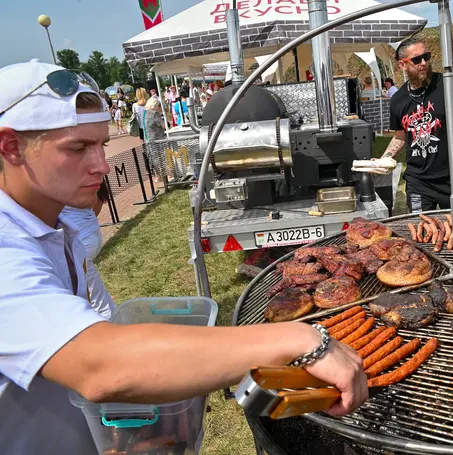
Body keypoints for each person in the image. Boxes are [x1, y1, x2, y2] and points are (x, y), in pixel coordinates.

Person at [0, 60, 367, 454]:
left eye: (102, 145)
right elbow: (99, 365)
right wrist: (298, 339)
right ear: (10, 147)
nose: (102, 166)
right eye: (78, 148)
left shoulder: (54, 229)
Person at [382, 38, 453, 212]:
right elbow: (400, 136)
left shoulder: (447, 84)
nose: (424, 63)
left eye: (427, 57)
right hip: (419, 181)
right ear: (402, 65)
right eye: (417, 60)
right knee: (421, 231)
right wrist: (385, 158)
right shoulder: (398, 100)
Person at [59, 181, 115, 319]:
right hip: (89, 235)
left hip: (79, 242)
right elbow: (99, 199)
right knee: (96, 295)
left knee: (93, 302)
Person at [142, 96, 167, 181]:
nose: (159, 107)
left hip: (147, 139)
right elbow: (163, 125)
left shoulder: (144, 113)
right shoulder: (154, 113)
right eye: (158, 105)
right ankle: (164, 175)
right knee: (161, 157)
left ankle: (158, 176)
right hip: (157, 139)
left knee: (153, 158)